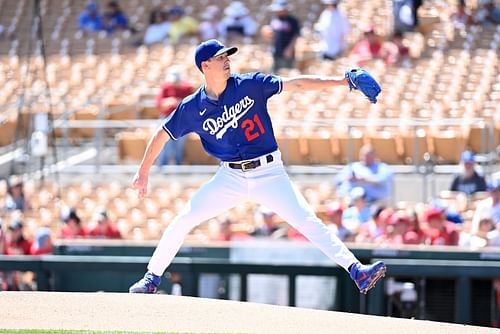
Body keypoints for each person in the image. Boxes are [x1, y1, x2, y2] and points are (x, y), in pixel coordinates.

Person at [128, 38, 386, 294]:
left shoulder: (249, 84)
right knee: (184, 219)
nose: (227, 60)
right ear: (205, 66)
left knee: (308, 221)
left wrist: (342, 81)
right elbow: (162, 133)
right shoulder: (192, 107)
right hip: (230, 176)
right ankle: (151, 278)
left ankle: (356, 271)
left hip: (269, 173)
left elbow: (296, 84)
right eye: (220, 58)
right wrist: (143, 171)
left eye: (227, 56)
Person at [156, 67, 195, 165]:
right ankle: (162, 165)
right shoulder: (165, 87)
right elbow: (159, 104)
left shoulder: (188, 88)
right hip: (167, 117)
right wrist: (168, 102)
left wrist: (178, 102)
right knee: (164, 143)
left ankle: (177, 165)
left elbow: (192, 105)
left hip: (182, 119)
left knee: (179, 143)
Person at [267, 0, 301, 72]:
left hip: (287, 52)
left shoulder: (292, 20)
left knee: (286, 73)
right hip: (276, 51)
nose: (277, 12)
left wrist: (290, 49)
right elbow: (271, 34)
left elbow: (296, 35)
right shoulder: (274, 19)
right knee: (275, 73)